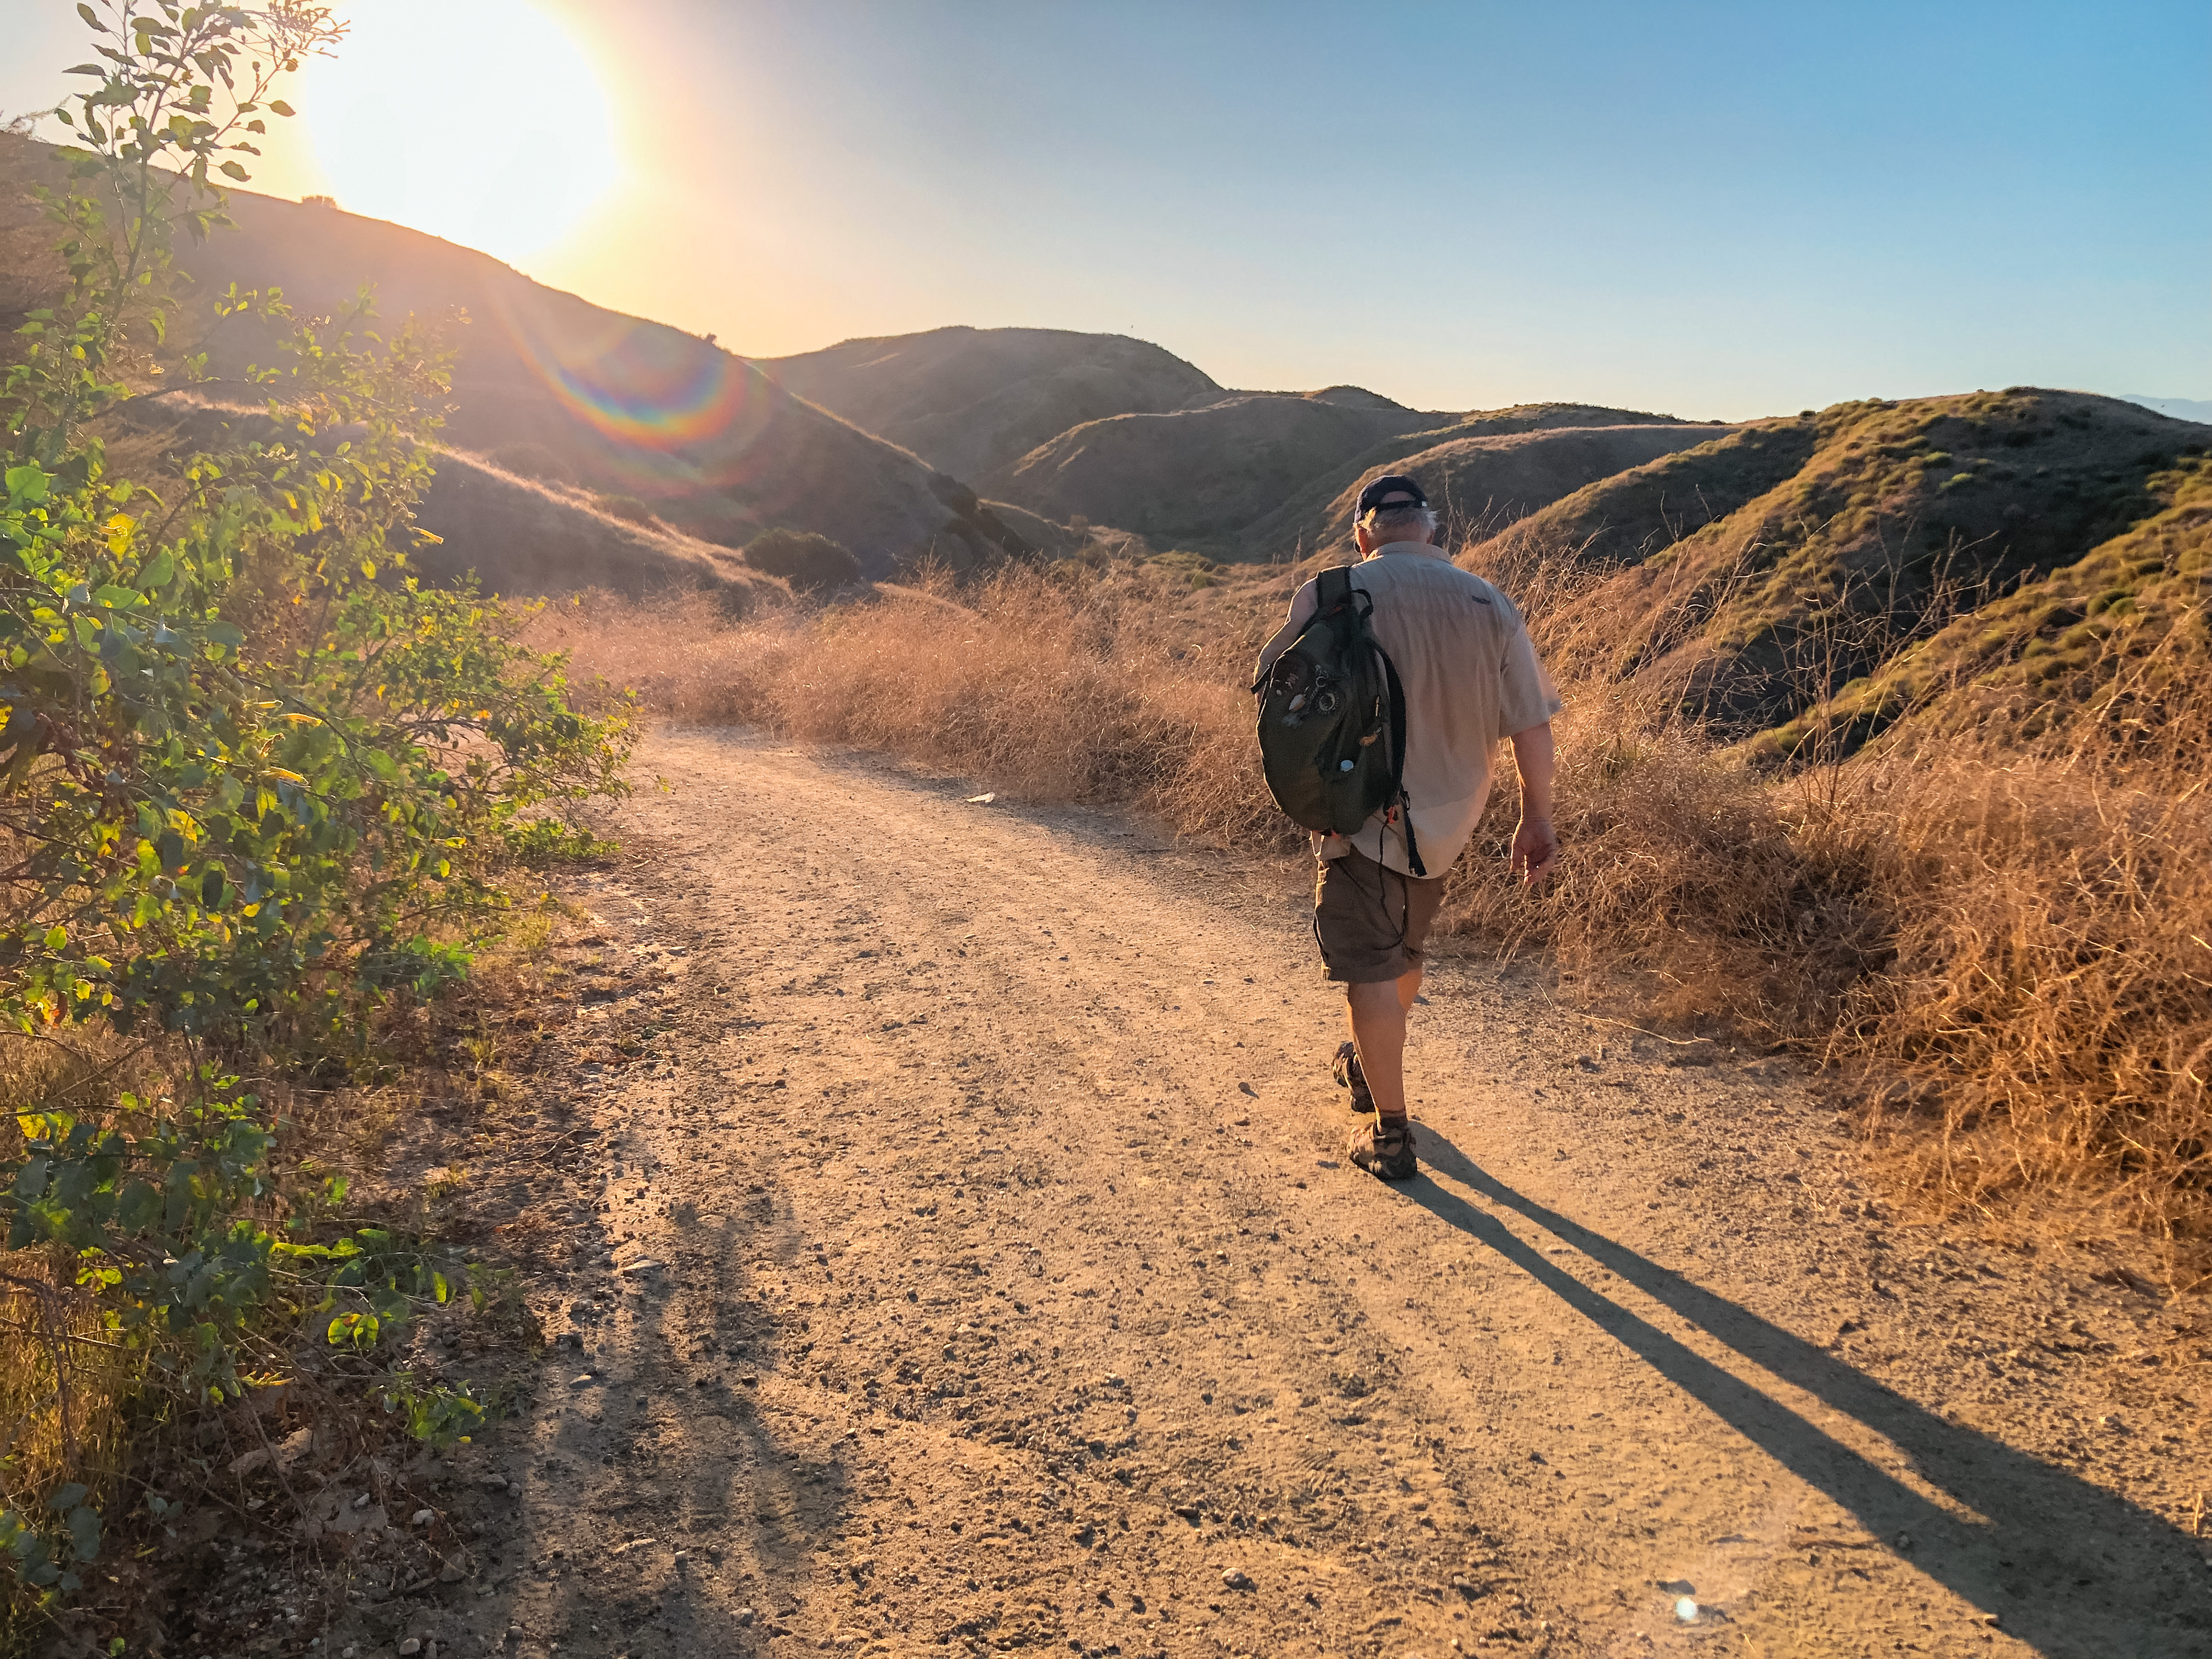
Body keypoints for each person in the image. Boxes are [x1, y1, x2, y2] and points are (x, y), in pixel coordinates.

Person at [1253, 474, 1561, 1180]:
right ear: (1431, 530)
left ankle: (1389, 1134)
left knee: (1368, 967)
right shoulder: (1490, 603)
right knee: (1403, 947)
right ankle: (1369, 1060)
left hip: (1359, 815)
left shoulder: (1333, 592)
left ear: (1364, 535)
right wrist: (1535, 816)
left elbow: (1272, 684)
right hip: (1452, 819)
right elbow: (1531, 724)